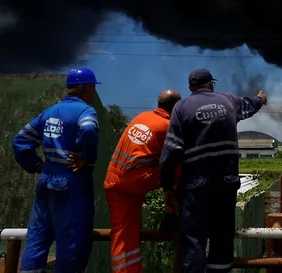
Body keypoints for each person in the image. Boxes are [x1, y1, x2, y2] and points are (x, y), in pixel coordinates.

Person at [159, 68, 268, 273]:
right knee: (222, 235)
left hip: (195, 184)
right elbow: (250, 104)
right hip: (226, 181)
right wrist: (261, 98)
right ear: (211, 83)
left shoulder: (181, 107)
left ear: (191, 87)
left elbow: (172, 150)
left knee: (193, 237)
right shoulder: (228, 101)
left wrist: (166, 186)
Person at [12, 67, 102, 273]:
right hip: (71, 181)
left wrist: (36, 165)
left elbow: (20, 140)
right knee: (72, 242)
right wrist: (87, 159)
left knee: (37, 238)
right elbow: (88, 128)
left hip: (46, 178)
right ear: (88, 87)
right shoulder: (85, 112)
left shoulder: (50, 112)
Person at [104, 89, 182, 273]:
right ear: (176, 107)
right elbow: (172, 163)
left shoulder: (142, 116)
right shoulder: (167, 126)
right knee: (180, 166)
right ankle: (173, 213)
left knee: (123, 234)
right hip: (134, 181)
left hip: (114, 181)